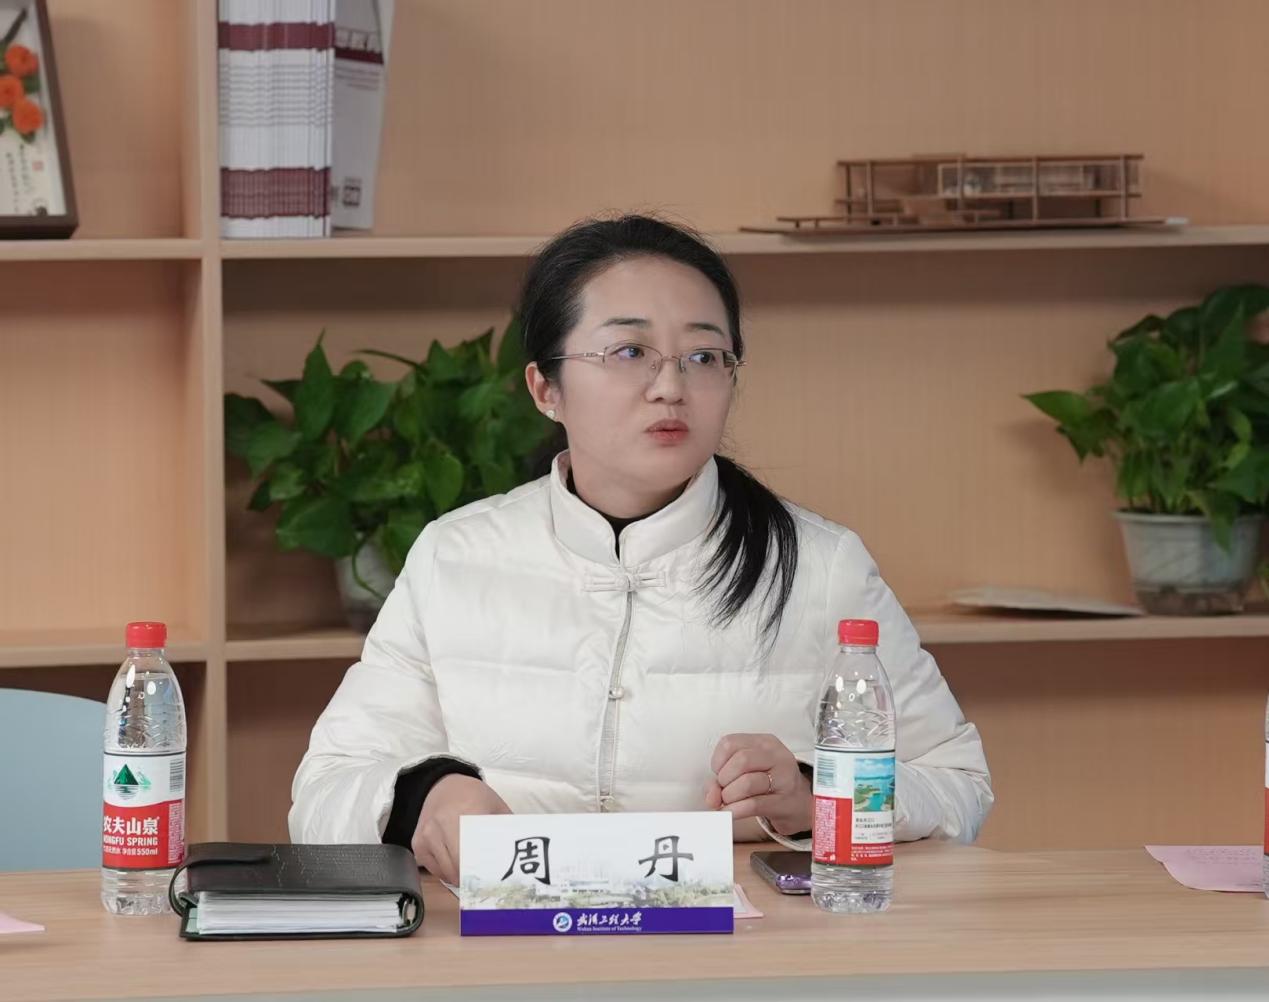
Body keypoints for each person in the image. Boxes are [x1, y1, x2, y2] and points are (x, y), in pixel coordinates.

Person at [289, 214, 992, 884]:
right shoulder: (454, 557)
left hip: (738, 950)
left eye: (703, 356)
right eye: (629, 352)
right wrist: (423, 799)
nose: (670, 387)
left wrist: (815, 798)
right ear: (545, 387)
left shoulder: (819, 566)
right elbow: (325, 790)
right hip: (501, 946)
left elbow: (958, 786)